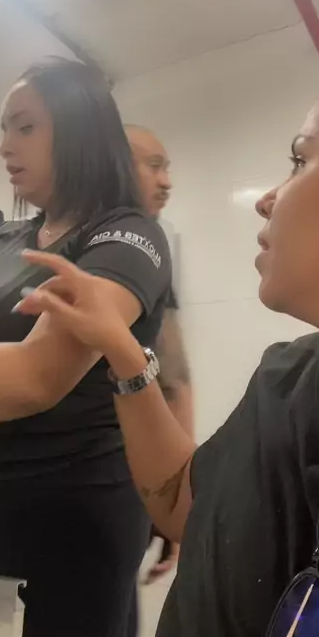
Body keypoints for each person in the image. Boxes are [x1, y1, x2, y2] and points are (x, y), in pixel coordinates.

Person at [16, 51, 319, 637]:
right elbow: (185, 504)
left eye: (300, 160)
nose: (268, 200)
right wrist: (123, 351)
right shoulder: (282, 380)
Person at [0, 57, 171, 637]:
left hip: (63, 526)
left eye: (25, 127)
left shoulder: (128, 236)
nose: (4, 145)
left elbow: (35, 376)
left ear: (80, 129)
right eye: (3, 128)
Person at [126, 124, 193, 585]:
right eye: (153, 166)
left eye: (166, 167)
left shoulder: (148, 249)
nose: (166, 181)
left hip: (114, 485)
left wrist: (176, 498)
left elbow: (175, 379)